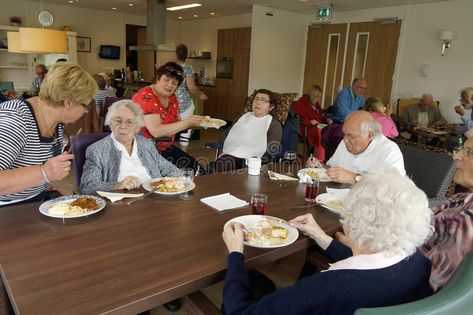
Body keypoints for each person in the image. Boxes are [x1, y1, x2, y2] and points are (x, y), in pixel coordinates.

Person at [222, 171, 433, 315]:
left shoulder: (320, 291)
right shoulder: (419, 265)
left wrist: (235, 254)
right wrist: (322, 237)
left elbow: (239, 312)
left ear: (351, 220)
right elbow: (371, 268)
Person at [0, 62, 97, 207]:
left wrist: (43, 184)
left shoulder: (57, 122)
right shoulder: (15, 120)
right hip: (10, 209)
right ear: (68, 103)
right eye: (85, 105)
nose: (86, 111)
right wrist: (43, 173)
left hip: (36, 200)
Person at [80, 100, 180, 194]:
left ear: (137, 126)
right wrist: (117, 185)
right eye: (118, 121)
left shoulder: (146, 144)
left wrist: (181, 181)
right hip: (122, 204)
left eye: (129, 122)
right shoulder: (97, 150)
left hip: (154, 197)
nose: (123, 126)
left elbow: (169, 169)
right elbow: (87, 185)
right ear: (110, 123)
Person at [420, 134, 473, 291]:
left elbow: (430, 281)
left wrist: (377, 255)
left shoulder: (468, 223)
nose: (456, 156)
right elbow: (421, 219)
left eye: (469, 152)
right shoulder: (461, 198)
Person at [131, 62, 203, 173]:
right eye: (166, 80)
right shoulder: (147, 96)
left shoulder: (172, 98)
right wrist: (187, 123)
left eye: (174, 82)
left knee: (196, 170)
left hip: (164, 149)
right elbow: (156, 131)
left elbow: (175, 124)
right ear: (158, 78)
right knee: (177, 176)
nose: (170, 85)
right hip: (142, 152)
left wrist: (199, 123)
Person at [210, 89, 282, 172]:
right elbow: (224, 136)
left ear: (271, 106)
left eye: (263, 100)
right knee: (224, 162)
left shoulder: (274, 125)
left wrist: (255, 159)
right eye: (256, 99)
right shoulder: (242, 117)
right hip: (233, 153)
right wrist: (234, 143)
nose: (258, 102)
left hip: (255, 159)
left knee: (246, 168)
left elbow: (273, 148)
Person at [326, 111, 405, 184]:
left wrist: (353, 178)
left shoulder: (389, 151)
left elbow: (393, 188)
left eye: (352, 136)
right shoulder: (346, 142)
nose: (345, 140)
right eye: (344, 134)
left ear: (370, 135)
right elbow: (331, 166)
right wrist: (318, 166)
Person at [175, 43, 208, 146]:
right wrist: (201, 94)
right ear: (186, 54)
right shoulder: (188, 68)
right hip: (184, 106)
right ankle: (183, 153)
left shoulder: (170, 67)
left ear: (176, 54)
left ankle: (169, 154)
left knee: (171, 129)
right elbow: (192, 88)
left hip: (171, 105)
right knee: (186, 130)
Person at [292, 84, 333, 161]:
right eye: (315, 96)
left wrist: (327, 119)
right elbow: (297, 118)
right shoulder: (302, 102)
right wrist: (310, 121)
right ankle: (319, 157)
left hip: (316, 126)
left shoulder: (316, 105)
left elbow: (320, 116)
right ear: (311, 94)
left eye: (318, 97)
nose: (317, 99)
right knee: (320, 132)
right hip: (305, 127)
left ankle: (324, 156)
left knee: (328, 130)